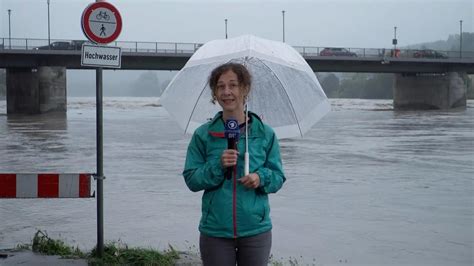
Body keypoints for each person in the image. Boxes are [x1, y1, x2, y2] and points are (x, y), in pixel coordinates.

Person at [182, 62, 286, 266]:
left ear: (245, 89)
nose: (227, 92)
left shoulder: (265, 133)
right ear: (214, 92)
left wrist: (260, 177)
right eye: (220, 86)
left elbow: (278, 177)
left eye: (233, 85)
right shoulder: (203, 135)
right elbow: (192, 179)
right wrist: (217, 166)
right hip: (215, 231)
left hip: (256, 230)